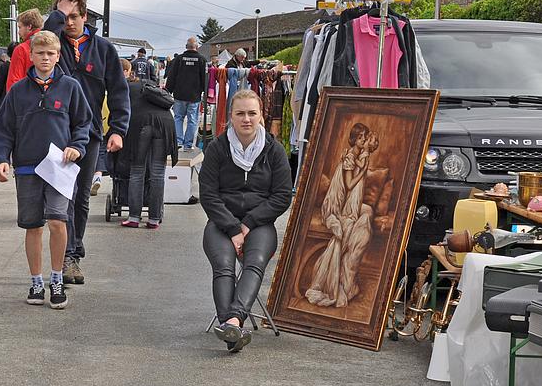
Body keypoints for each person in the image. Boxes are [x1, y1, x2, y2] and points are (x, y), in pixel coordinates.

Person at [0, 30, 92, 308]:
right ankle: (36, 281)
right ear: (31, 56)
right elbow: (3, 129)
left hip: (60, 167)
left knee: (58, 221)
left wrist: (77, 146)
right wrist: (1, 158)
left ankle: (57, 278)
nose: (45, 58)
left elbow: (83, 123)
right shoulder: (17, 91)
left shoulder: (71, 87)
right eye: (40, 53)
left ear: (58, 56)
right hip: (26, 168)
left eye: (51, 53)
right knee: (33, 226)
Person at [43, 0, 130, 285]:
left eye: (74, 16)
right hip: (56, 131)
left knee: (81, 195)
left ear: (85, 15)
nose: (69, 22)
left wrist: (118, 129)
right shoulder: (53, 45)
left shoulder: (103, 49)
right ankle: (65, 255)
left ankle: (74, 253)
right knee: (61, 195)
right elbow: (44, 35)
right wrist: (57, 14)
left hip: (90, 133)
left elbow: (119, 91)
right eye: (63, 16)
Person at [199, 89, 293, 352]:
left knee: (254, 263)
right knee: (224, 265)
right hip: (221, 223)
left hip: (260, 223)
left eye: (252, 113)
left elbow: (282, 196)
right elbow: (208, 194)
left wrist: (249, 223)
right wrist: (232, 228)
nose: (246, 119)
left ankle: (233, 320)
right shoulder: (217, 149)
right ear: (231, 116)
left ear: (261, 116)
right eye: (240, 113)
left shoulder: (274, 151)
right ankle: (230, 326)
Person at [305, 125, 379, 308]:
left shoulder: (358, 156)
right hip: (338, 205)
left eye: (365, 138)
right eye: (361, 138)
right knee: (353, 225)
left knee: (367, 216)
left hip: (350, 202)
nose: (363, 141)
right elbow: (349, 185)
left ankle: (349, 275)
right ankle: (336, 282)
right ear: (354, 139)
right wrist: (363, 171)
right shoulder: (350, 158)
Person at [118, 59, 177, 229]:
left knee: (137, 171)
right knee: (157, 173)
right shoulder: (148, 84)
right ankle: (153, 219)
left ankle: (134, 217)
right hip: (165, 124)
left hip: (141, 126)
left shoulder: (123, 89)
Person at [165, 37, 206, 150]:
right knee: (192, 120)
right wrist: (203, 91)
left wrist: (168, 90)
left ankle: (178, 141)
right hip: (194, 96)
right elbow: (204, 78)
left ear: (186, 47)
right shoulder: (201, 59)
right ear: (196, 47)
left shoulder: (179, 59)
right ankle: (188, 144)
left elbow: (172, 76)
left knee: (178, 118)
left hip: (179, 94)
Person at [6, 8, 44, 92]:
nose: (19, 32)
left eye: (20, 27)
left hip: (25, 98)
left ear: (29, 27)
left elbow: (13, 82)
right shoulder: (51, 46)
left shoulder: (21, 49)